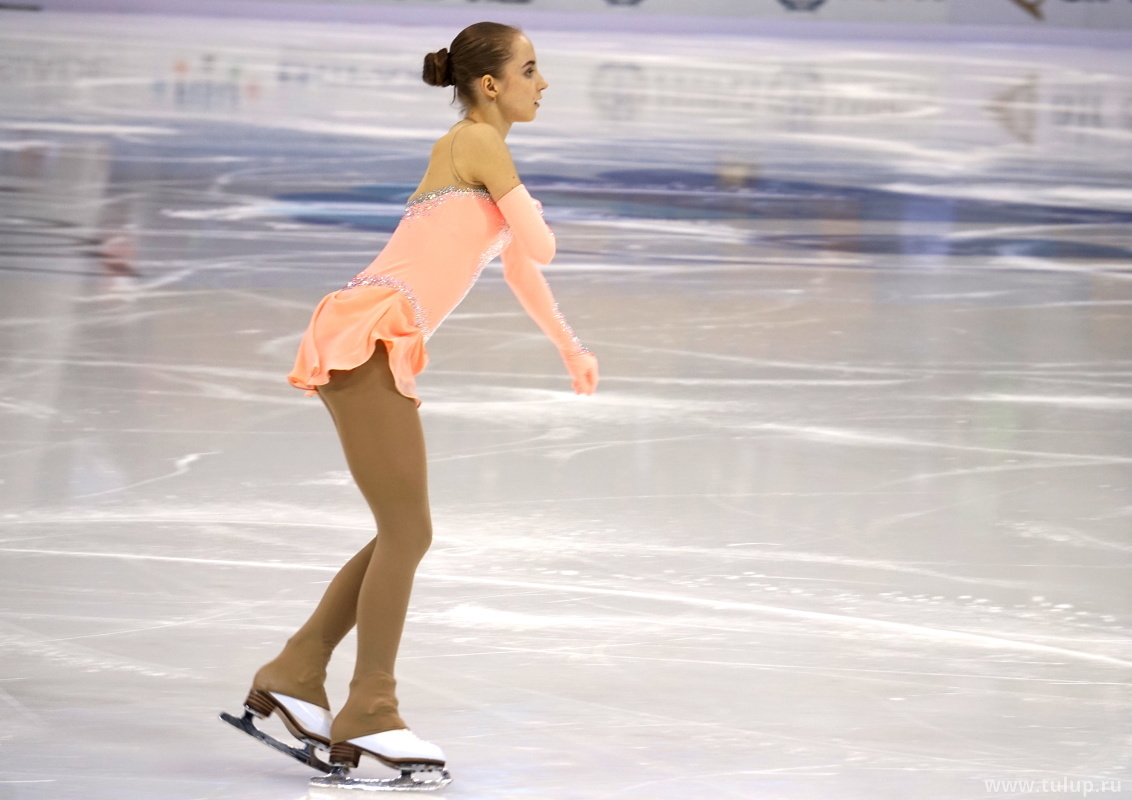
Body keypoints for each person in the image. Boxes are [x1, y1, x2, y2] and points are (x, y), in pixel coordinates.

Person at [234, 21, 599, 774]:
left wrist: (570, 346)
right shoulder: (478, 142)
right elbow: (542, 244)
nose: (544, 83)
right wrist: (527, 207)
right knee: (408, 532)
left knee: (401, 531)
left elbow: (524, 271)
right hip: (368, 333)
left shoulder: (481, 154)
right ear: (490, 84)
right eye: (531, 69)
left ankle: (297, 669)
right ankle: (371, 707)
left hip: (375, 336)